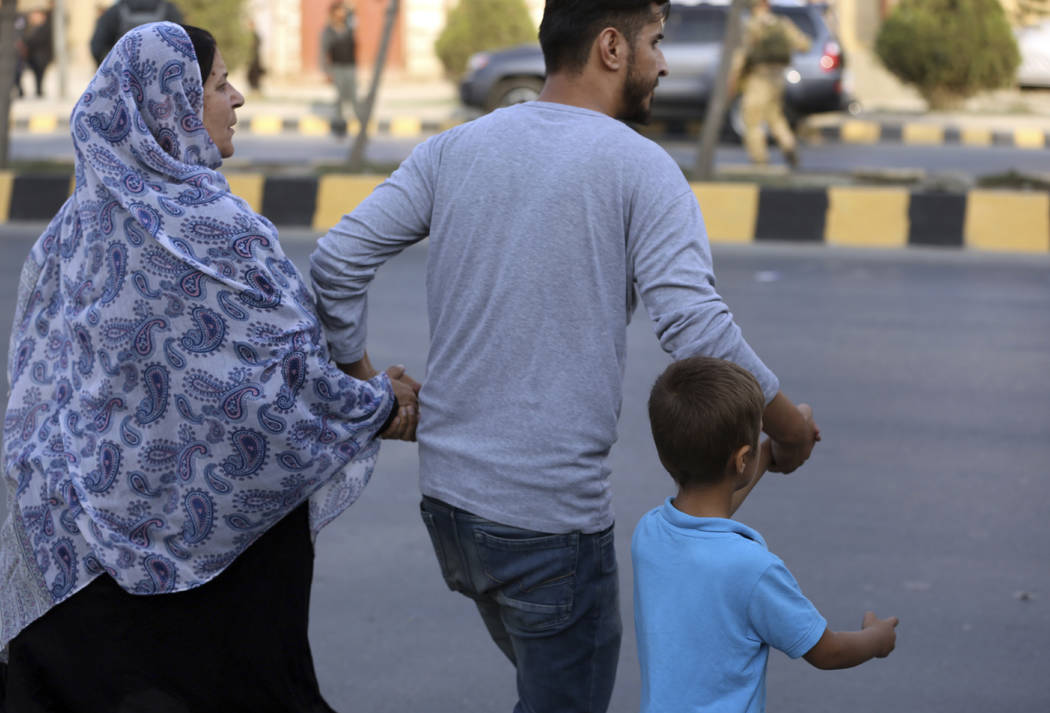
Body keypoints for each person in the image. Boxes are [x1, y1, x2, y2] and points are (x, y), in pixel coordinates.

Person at [309, 1, 820, 711]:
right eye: (656, 42)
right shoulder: (642, 168)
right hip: (546, 523)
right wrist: (787, 425)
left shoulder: (453, 149)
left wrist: (370, 387)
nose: (664, 63)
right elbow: (694, 324)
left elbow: (334, 262)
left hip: (451, 510)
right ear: (612, 48)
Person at [0, 22, 418, 711]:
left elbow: (37, 399)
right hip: (223, 560)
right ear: (173, 103)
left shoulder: (66, 236)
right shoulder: (220, 230)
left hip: (79, 546)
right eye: (221, 84)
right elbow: (287, 382)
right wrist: (376, 402)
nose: (239, 99)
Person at [632, 356, 898, 712]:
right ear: (742, 459)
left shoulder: (648, 533)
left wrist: (769, 453)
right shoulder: (752, 569)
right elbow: (827, 651)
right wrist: (876, 639)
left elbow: (709, 511)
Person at [731, 0, 811, 168]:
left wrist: (733, 79)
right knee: (775, 116)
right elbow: (804, 45)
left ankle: (759, 160)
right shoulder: (782, 23)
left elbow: (742, 55)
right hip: (778, 77)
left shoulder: (752, 25)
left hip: (759, 78)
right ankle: (789, 146)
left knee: (752, 120)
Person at [90, 0, 183, 65]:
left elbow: (97, 48)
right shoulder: (170, 10)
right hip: (163, 83)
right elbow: (183, 46)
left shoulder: (114, 11)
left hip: (123, 81)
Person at [320, 1, 360, 133]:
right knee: (339, 97)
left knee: (353, 95)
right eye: (339, 11)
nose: (342, 13)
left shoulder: (349, 27)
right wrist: (326, 71)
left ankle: (360, 122)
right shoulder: (328, 31)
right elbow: (322, 51)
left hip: (350, 66)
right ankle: (339, 124)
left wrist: (348, 7)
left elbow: (353, 13)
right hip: (337, 67)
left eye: (343, 11)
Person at [20, 8, 52, 99]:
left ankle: (39, 90)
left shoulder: (45, 27)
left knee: (40, 75)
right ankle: (37, 90)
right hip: (33, 56)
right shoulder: (30, 27)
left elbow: (35, 41)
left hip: (41, 56)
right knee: (34, 74)